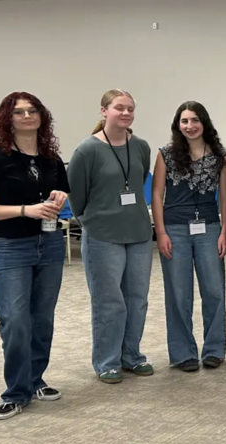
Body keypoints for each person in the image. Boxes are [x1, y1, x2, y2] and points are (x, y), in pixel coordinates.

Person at [0, 92, 69, 419]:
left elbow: (63, 194)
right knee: (15, 320)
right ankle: (15, 391)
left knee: (42, 318)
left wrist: (59, 194)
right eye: (19, 112)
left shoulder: (51, 159)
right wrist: (25, 210)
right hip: (10, 246)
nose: (27, 116)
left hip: (50, 244)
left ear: (42, 116)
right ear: (7, 118)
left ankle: (35, 378)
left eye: (33, 110)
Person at [68, 89, 155, 384]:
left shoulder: (141, 146)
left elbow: (139, 181)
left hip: (139, 234)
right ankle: (107, 361)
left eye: (130, 108)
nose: (126, 113)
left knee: (137, 298)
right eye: (120, 108)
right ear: (104, 111)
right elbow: (76, 197)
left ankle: (132, 356)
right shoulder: (87, 150)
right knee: (109, 301)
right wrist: (94, 221)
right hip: (104, 236)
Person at [152, 101, 226, 372]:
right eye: (184, 121)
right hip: (174, 228)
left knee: (214, 291)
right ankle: (183, 352)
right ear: (178, 125)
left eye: (195, 120)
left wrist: (224, 231)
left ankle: (214, 349)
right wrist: (159, 232)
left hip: (209, 228)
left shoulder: (220, 156)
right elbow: (157, 194)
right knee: (178, 293)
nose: (190, 126)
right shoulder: (166, 154)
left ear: (204, 122)